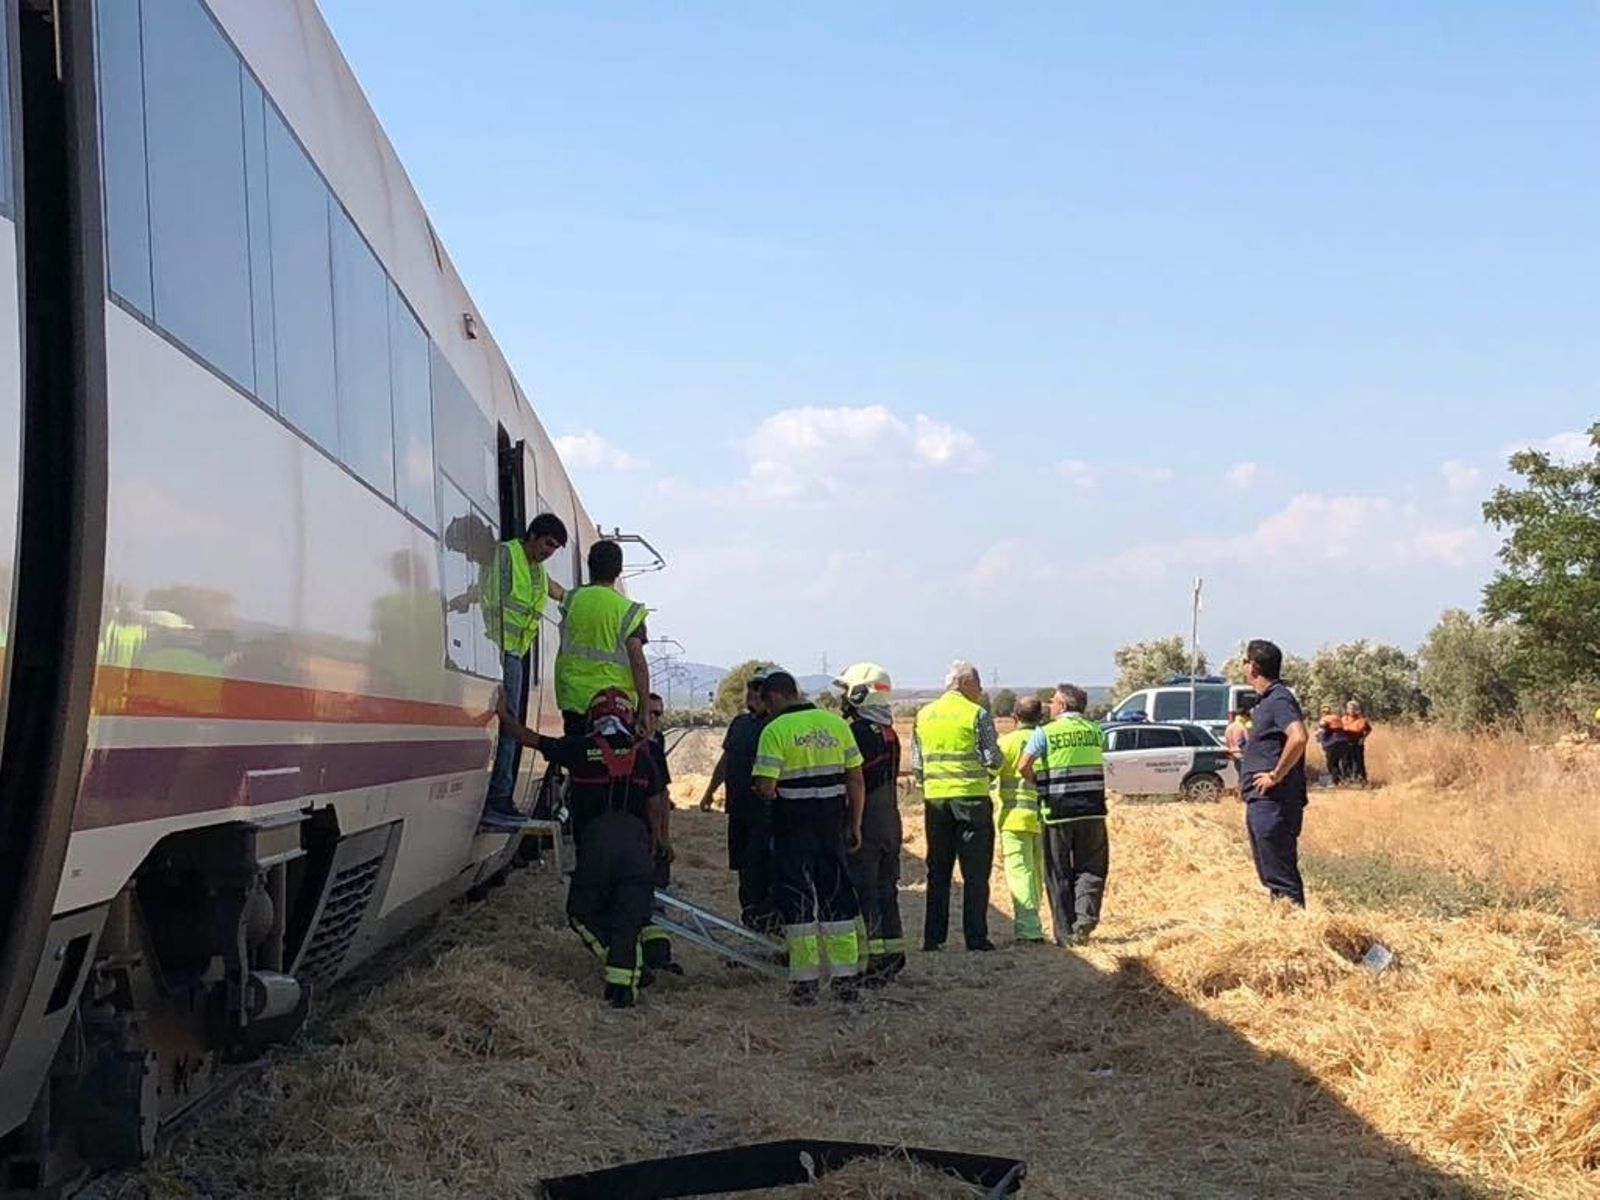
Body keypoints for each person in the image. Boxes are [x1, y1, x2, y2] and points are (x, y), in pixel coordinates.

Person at [497, 687, 667, 1008]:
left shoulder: (579, 748)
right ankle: (628, 982)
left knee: (581, 912)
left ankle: (621, 963)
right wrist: (656, 841)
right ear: (628, 717)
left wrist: (504, 714)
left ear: (593, 717)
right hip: (636, 847)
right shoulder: (643, 753)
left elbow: (528, 738)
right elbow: (657, 803)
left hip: (596, 847)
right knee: (630, 917)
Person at [751, 671, 866, 1004]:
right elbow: (856, 780)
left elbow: (766, 787)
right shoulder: (836, 725)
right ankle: (846, 979)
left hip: (793, 827)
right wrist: (855, 823)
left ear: (773, 698)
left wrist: (761, 790)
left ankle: (805, 983)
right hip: (832, 826)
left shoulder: (774, 731)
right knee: (838, 896)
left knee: (798, 900)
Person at [461, 512, 568, 827]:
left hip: (515, 652)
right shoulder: (507, 554)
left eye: (556, 548)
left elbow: (557, 592)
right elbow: (488, 589)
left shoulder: (536, 570)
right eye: (548, 544)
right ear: (532, 536)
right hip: (499, 647)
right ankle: (499, 799)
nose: (550, 552)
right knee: (509, 726)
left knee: (509, 725)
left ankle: (500, 796)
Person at [913, 660, 1001, 952]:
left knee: (938, 871)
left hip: (936, 801)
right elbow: (993, 759)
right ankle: (975, 938)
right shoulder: (978, 714)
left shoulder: (923, 715)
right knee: (975, 873)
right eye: (978, 684)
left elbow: (917, 764)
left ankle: (932, 937)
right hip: (972, 800)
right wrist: (986, 776)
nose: (980, 690)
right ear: (965, 684)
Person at [1018, 685, 1108, 945]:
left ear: (1064, 706)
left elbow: (1023, 765)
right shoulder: (1095, 731)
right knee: (1091, 868)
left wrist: (1040, 784)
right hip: (1093, 811)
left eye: (1053, 701)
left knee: (1058, 872)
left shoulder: (1044, 732)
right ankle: (1085, 919)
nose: (1050, 704)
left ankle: (1065, 932)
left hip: (1056, 812)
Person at [835, 663, 906, 985]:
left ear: (859, 694)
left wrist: (853, 825)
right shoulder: (888, 731)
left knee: (865, 892)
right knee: (886, 890)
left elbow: (855, 781)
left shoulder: (857, 733)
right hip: (891, 819)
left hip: (869, 822)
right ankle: (893, 953)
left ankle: (872, 960)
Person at [698, 668, 779, 932]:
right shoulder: (739, 724)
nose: (753, 694)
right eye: (751, 688)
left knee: (765, 875)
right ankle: (752, 927)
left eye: (759, 689)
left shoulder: (776, 726)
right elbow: (727, 760)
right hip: (740, 812)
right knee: (746, 874)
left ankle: (770, 931)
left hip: (766, 815)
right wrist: (710, 791)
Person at [554, 539, 650, 735]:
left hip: (574, 699)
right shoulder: (628, 611)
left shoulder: (573, 600)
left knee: (578, 759)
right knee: (612, 761)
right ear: (619, 571)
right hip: (615, 703)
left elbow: (552, 589)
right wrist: (645, 708)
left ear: (589, 566)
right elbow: (638, 662)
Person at [1241, 640, 1310, 907]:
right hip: (1263, 801)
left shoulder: (1279, 698)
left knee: (1281, 877)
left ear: (1254, 667)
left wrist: (1275, 775)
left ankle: (1296, 934)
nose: (1244, 666)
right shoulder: (1267, 701)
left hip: (1275, 802)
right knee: (1271, 874)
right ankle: (1282, 927)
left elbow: (1299, 737)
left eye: (1245, 661)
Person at [993, 695, 1046, 944]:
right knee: (1038, 871)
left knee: (1019, 872)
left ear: (1014, 717)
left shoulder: (1005, 743)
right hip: (1044, 816)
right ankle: (1038, 918)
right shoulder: (1046, 740)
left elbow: (990, 773)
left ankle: (1029, 927)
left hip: (1013, 819)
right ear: (1041, 717)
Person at [1316, 705, 1350, 785]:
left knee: (1331, 763)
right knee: (1343, 762)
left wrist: (1316, 734)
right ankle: (1347, 779)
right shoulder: (1337, 718)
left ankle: (1336, 781)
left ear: (1322, 713)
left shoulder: (1324, 719)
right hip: (1344, 742)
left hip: (1332, 743)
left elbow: (1322, 730)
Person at [1342, 701, 1372, 785]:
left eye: (1353, 709)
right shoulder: (1343, 719)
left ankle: (1360, 780)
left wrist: (1363, 738)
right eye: (1349, 708)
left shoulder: (1362, 720)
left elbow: (1368, 730)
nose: (1351, 710)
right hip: (1345, 743)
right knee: (1346, 762)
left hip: (1357, 743)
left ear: (1356, 710)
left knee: (1357, 762)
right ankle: (1347, 779)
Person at [1224, 694, 1256, 771]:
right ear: (1244, 716)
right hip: (1241, 754)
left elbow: (1226, 742)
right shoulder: (1242, 727)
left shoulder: (1229, 727)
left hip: (1232, 754)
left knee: (1239, 776)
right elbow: (1248, 742)